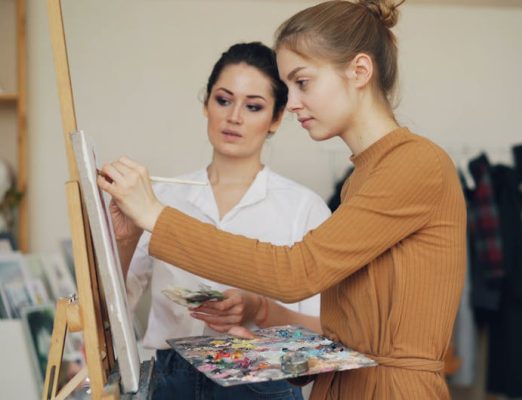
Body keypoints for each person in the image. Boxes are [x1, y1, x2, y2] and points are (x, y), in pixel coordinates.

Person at [100, 1, 466, 398]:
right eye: (287, 88)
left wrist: (156, 215)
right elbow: (343, 336)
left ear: (359, 71)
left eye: (302, 83)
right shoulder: (363, 178)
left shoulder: (415, 164)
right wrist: (265, 339)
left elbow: (295, 272)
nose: (291, 104)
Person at [117, 42, 330, 400]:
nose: (234, 117)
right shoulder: (161, 199)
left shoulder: (304, 208)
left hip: (263, 378)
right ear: (206, 103)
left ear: (277, 118)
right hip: (172, 381)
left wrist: (257, 308)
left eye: (254, 106)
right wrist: (123, 239)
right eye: (223, 100)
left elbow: (326, 330)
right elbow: (113, 307)